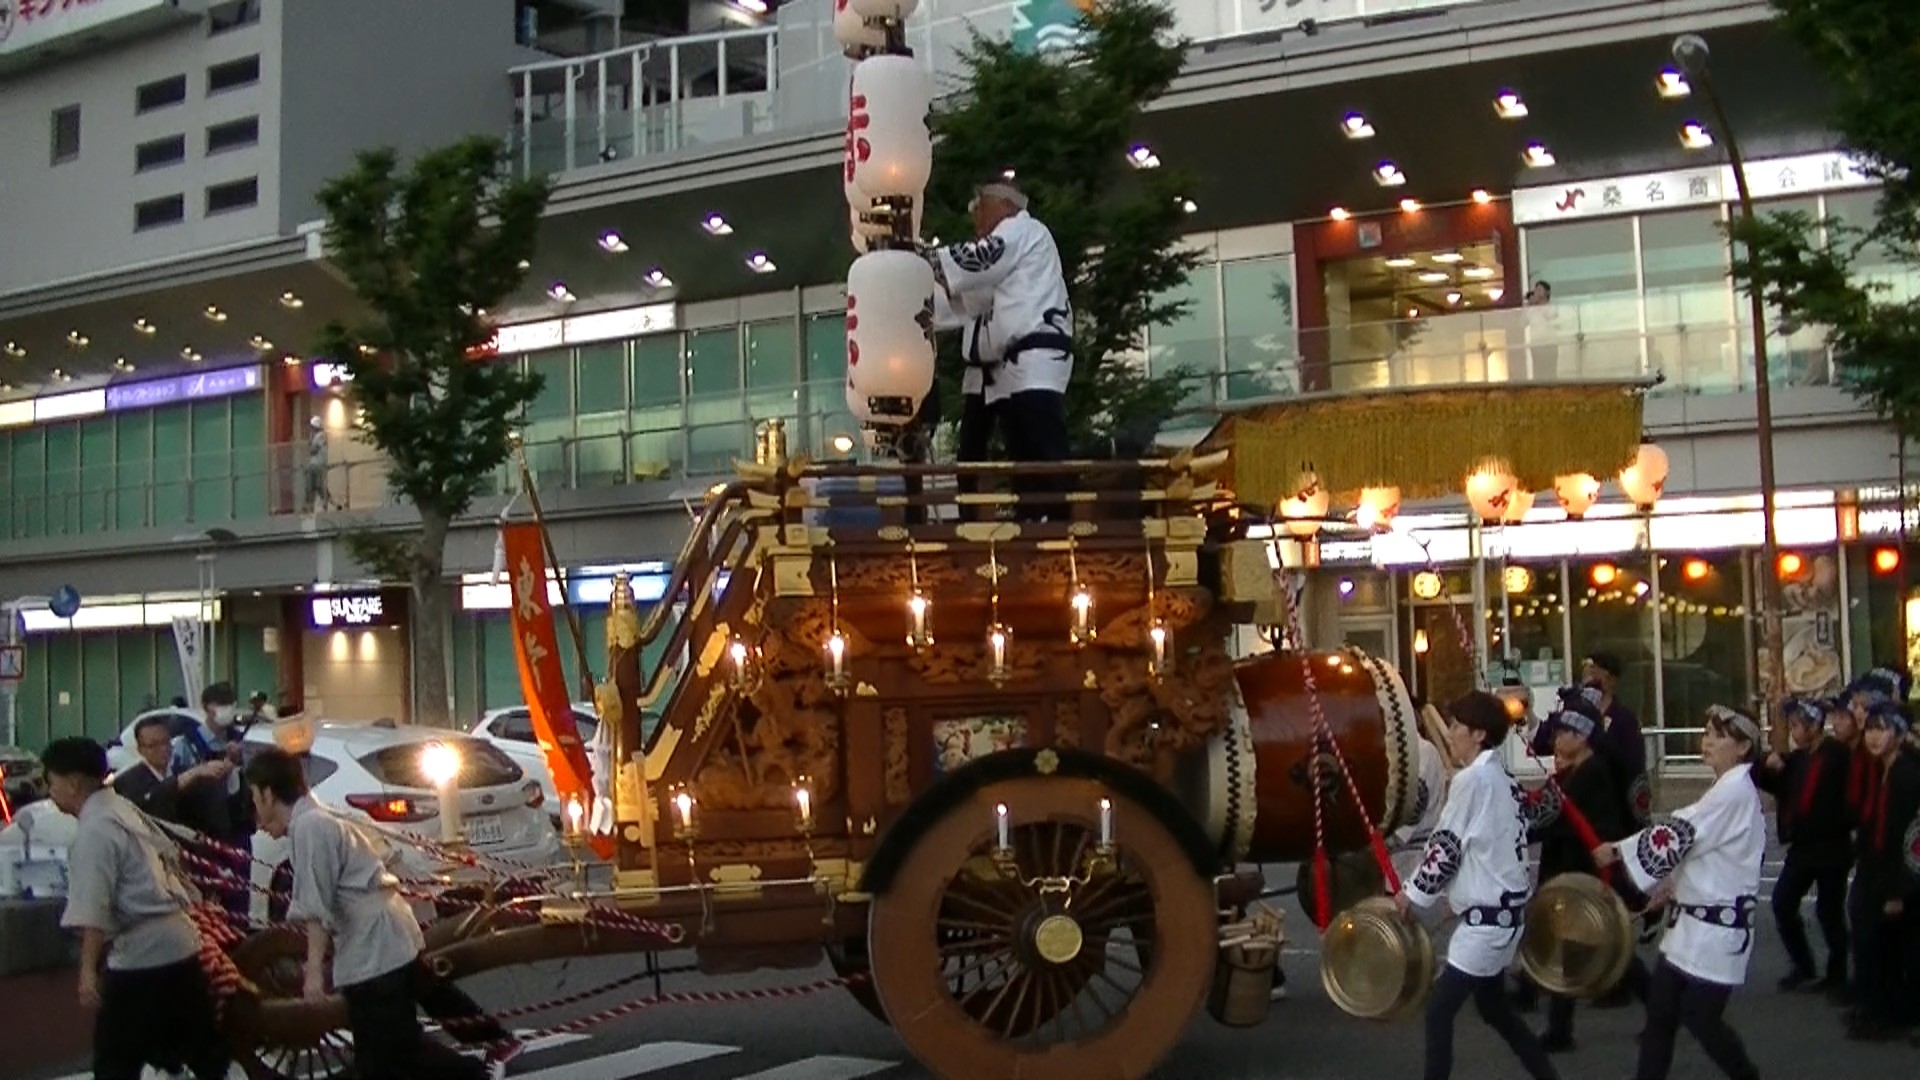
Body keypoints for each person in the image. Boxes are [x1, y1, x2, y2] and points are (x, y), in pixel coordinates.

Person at [246, 746, 507, 1079]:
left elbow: (316, 905)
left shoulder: (311, 826)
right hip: (379, 938)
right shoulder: (316, 819)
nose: (254, 808)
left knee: (392, 1052)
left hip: (373, 945)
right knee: (384, 1052)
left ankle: (478, 1071)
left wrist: (313, 973)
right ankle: (486, 1056)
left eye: (254, 796)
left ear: (267, 794)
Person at [1592, 705, 1765, 1080]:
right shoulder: (1725, 789)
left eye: (1719, 736)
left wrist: (1619, 850)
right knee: (1661, 1014)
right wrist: (1673, 885)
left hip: (1717, 930)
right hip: (1691, 927)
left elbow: (1684, 830)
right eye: (1707, 733)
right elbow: (1699, 846)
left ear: (1743, 747)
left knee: (1701, 1019)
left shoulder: (1734, 791)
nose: (1707, 742)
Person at [45, 736, 230, 1080]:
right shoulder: (123, 808)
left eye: (52, 781)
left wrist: (87, 972)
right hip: (181, 944)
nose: (50, 791)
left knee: (115, 1061)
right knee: (203, 1054)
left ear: (72, 783)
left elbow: (93, 906)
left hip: (140, 955)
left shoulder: (95, 830)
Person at [1397, 691, 1560, 1080]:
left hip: (1487, 923)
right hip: (1501, 914)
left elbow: (1447, 844)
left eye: (1457, 726)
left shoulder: (1472, 780)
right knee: (1495, 1011)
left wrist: (1411, 893)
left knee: (1439, 1012)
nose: (1450, 733)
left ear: (1479, 734)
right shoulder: (1499, 776)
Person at [924, 179, 1074, 519]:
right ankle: (1033, 515)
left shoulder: (1022, 230)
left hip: (1036, 351)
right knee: (1020, 444)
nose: (976, 214)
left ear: (1006, 205)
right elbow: (971, 299)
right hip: (1013, 362)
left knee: (1043, 438)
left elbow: (981, 259)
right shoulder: (1012, 247)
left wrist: (928, 258)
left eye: (981, 206)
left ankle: (1059, 519)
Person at [1528, 687, 1650, 1053]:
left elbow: (1557, 819)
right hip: (1576, 870)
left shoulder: (1593, 772)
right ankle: (1559, 1028)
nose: (1558, 738)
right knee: (1588, 946)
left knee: (1601, 947)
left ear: (1584, 738)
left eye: (1566, 732)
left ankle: (1560, 1029)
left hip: (1587, 872)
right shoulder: (1577, 771)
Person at [1755, 696, 1853, 994]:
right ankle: (1803, 965)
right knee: (1782, 903)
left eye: (1798, 725)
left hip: (1832, 846)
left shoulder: (1836, 755)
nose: (1794, 731)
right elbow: (1770, 778)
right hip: (1803, 847)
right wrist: (1768, 765)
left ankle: (1837, 973)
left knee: (1829, 912)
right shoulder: (1797, 759)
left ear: (1814, 726)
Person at [1843, 700, 1920, 1041]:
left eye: (1882, 729)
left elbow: (1905, 839)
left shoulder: (1906, 775)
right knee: (1876, 946)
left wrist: (1896, 892)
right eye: (1870, 729)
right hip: (1875, 870)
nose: (1873, 737)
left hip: (1893, 878)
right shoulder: (1883, 769)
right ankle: (1879, 1011)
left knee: (1887, 949)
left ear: (1900, 734)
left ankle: (1886, 1015)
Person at [113, 714, 232, 826]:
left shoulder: (181, 770)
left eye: (165, 742)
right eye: (153, 745)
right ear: (140, 749)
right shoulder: (127, 781)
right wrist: (190, 775)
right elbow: (152, 802)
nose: (163, 749)